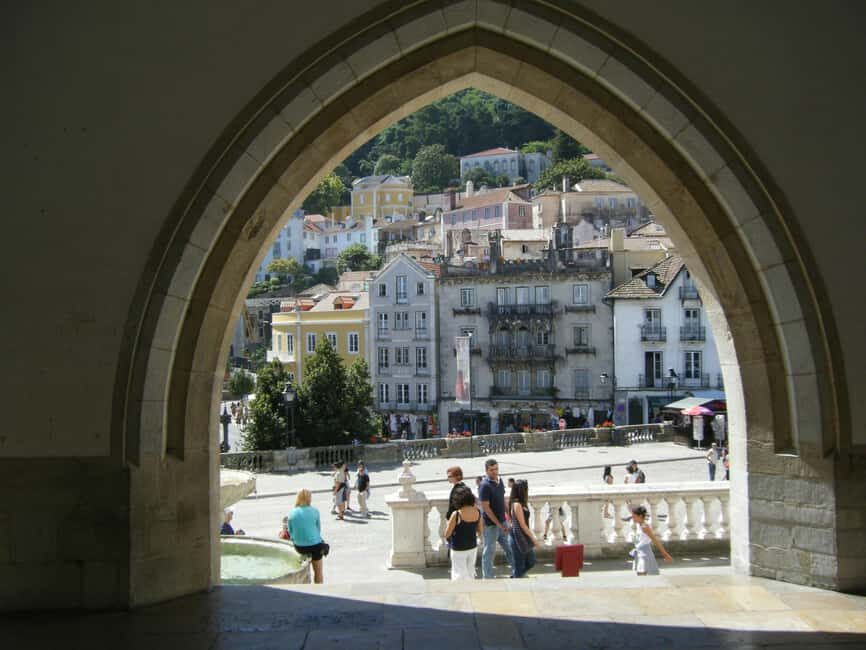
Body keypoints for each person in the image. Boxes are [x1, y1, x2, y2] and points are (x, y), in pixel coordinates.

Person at [478, 458, 514, 579]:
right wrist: (499, 524)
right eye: (492, 470)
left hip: (503, 522)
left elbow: (502, 499)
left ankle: (517, 571)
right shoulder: (484, 486)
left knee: (510, 548)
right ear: (486, 470)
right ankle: (487, 577)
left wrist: (508, 515)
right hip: (491, 526)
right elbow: (486, 509)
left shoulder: (500, 481)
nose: (495, 472)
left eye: (496, 469)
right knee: (489, 552)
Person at [443, 484, 483, 580]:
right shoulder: (477, 511)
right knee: (470, 572)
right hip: (472, 546)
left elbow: (447, 534)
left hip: (458, 548)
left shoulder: (456, 514)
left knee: (458, 574)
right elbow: (480, 531)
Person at [288, 489, 328, 584]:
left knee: (303, 572)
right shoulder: (315, 511)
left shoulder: (291, 513)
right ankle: (319, 591)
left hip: (300, 547)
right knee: (318, 572)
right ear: (309, 498)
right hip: (315, 545)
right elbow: (318, 530)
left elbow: (291, 533)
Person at [629, 505, 672, 575]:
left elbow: (655, 540)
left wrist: (665, 554)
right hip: (639, 552)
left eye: (634, 517)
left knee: (643, 574)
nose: (632, 519)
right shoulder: (639, 524)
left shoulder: (645, 527)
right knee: (640, 574)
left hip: (645, 554)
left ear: (640, 516)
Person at [509, 479, 538, 578]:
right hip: (518, 537)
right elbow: (522, 525)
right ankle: (517, 577)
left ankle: (516, 575)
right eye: (526, 488)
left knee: (531, 561)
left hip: (523, 537)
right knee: (519, 564)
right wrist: (533, 538)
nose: (528, 490)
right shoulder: (517, 505)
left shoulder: (522, 503)